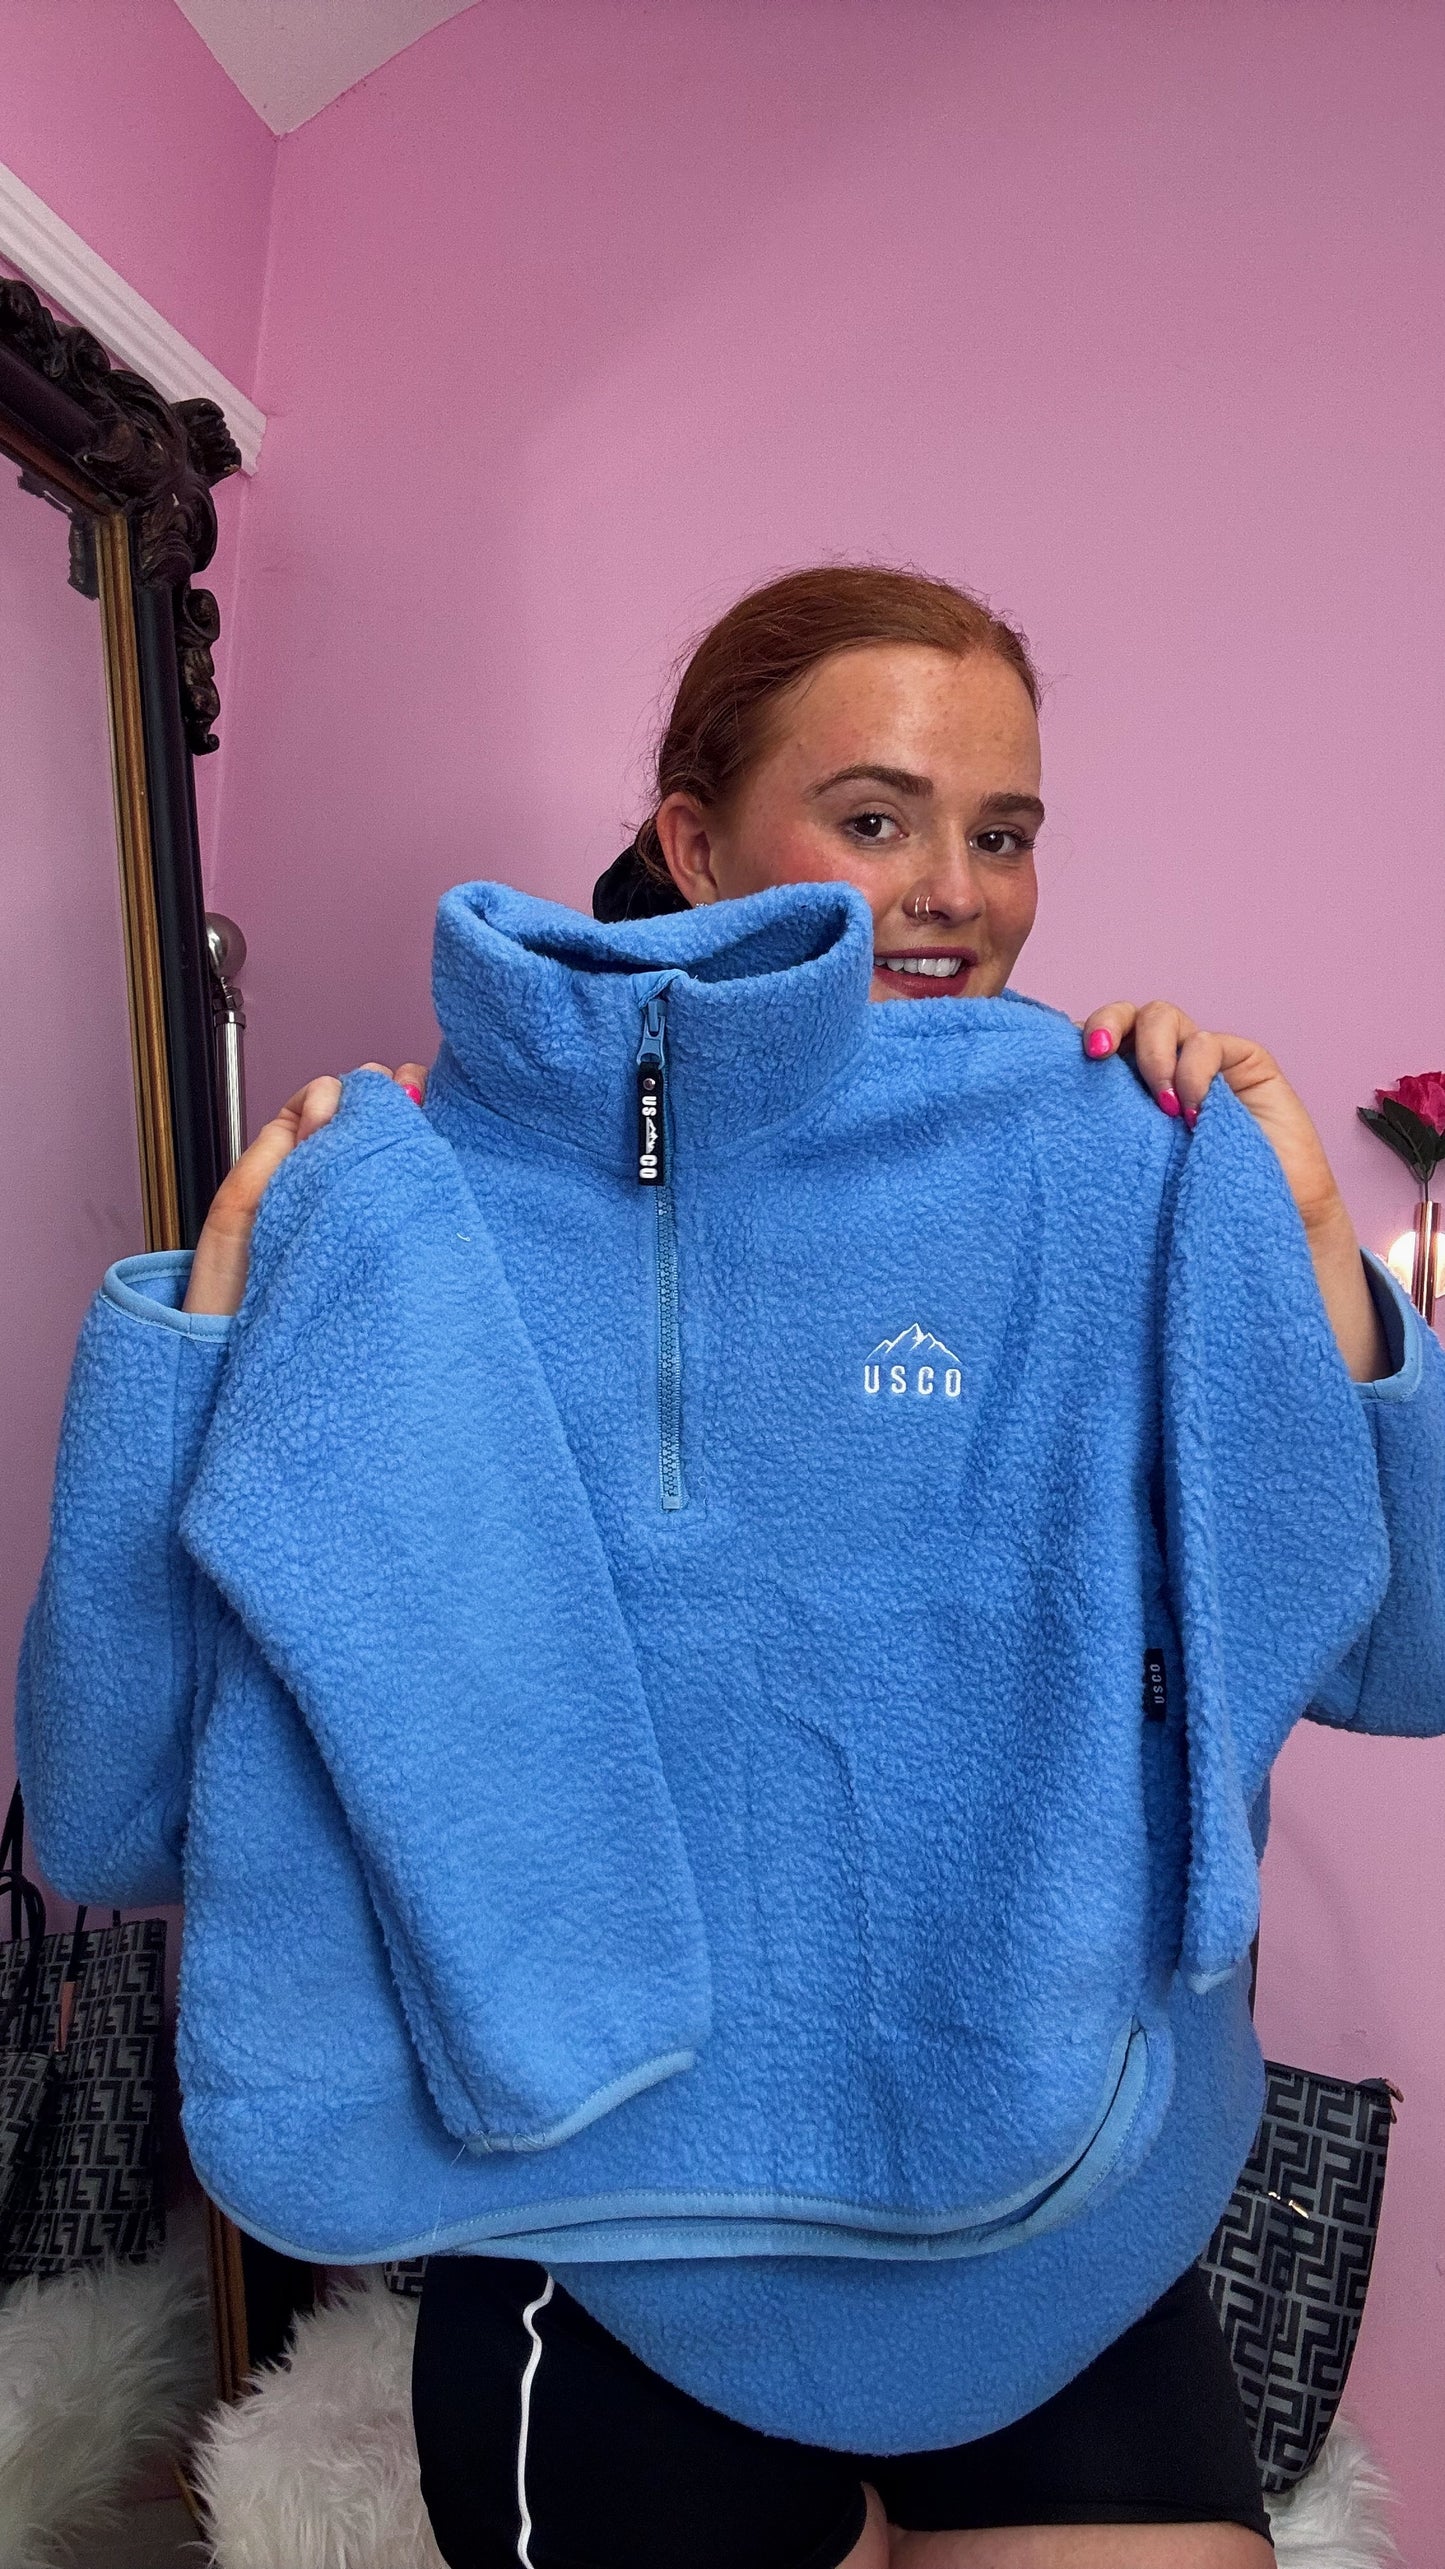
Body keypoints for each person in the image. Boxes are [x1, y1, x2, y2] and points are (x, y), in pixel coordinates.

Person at [18, 569, 1444, 2569]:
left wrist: (1298, 1240)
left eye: (1004, 830)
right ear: (692, 841)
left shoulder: (1119, 1162)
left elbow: (1408, 1648)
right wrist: (189, 1349)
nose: (952, 889)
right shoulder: (403, 1208)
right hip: (593, 2224)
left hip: (1051, 2188)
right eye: (875, 816)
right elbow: (111, 1815)